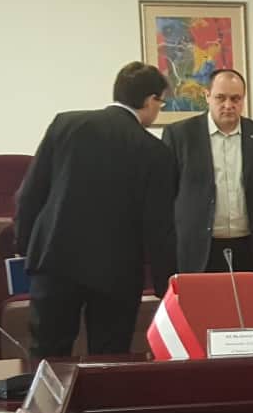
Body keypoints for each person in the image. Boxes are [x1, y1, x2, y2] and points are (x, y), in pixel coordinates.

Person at [14, 62, 177, 359]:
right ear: (150, 100)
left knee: (47, 355)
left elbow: (30, 194)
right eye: (161, 103)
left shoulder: (66, 124)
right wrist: (164, 283)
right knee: (109, 358)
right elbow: (158, 226)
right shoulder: (155, 152)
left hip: (54, 261)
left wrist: (27, 249)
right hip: (116, 272)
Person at [162, 69, 253, 275]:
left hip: (249, 246)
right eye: (220, 97)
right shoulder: (180, 135)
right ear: (207, 96)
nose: (228, 105)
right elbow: (167, 192)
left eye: (235, 98)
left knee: (247, 297)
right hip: (198, 247)